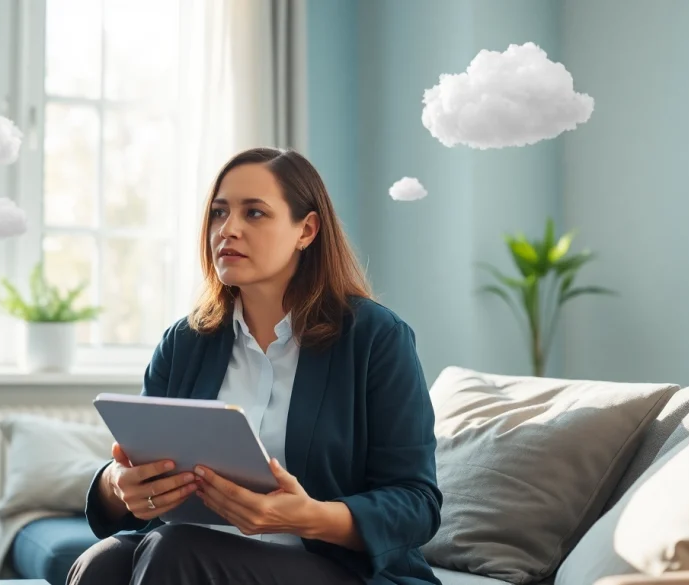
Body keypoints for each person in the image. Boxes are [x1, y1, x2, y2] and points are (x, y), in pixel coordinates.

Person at [68, 147, 443, 585]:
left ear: (307, 230)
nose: (229, 229)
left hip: (335, 569)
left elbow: (417, 504)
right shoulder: (185, 342)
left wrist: (311, 517)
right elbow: (134, 470)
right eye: (219, 213)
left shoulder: (377, 338)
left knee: (177, 551)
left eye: (255, 214)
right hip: (190, 551)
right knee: (104, 564)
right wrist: (119, 485)